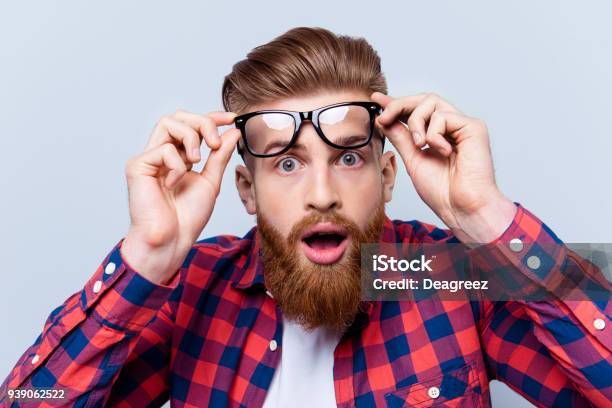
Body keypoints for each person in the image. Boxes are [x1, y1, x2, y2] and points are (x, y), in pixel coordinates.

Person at [1, 27, 610, 407]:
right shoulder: (190, 291)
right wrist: (146, 258)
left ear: (388, 176)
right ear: (247, 188)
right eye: (287, 164)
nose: (321, 193)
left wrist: (487, 219)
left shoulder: (451, 278)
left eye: (347, 157)